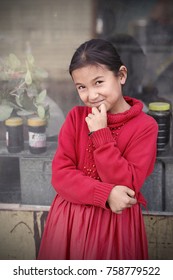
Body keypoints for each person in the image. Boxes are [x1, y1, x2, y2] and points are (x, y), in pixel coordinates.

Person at [38, 38, 158, 260]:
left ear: (121, 75)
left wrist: (101, 135)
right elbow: (61, 175)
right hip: (69, 223)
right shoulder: (76, 118)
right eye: (82, 87)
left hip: (114, 228)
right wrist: (106, 193)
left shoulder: (145, 127)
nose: (91, 96)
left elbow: (128, 185)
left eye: (99, 82)